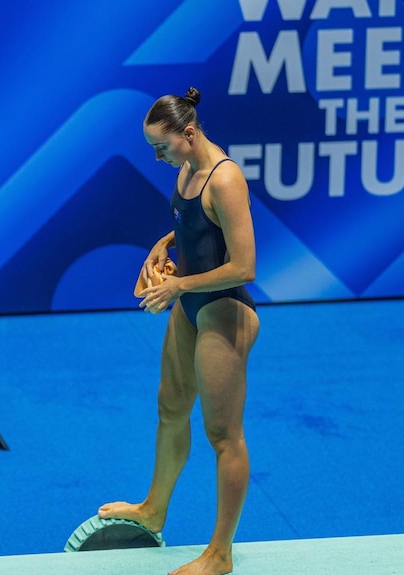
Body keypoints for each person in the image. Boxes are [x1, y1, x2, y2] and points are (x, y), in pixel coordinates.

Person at [99, 87, 260, 575]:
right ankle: (153, 508)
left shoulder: (225, 177)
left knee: (223, 433)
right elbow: (195, 225)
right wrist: (163, 245)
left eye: (162, 147)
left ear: (188, 134)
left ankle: (220, 554)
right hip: (189, 304)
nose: (157, 156)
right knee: (171, 407)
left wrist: (180, 286)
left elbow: (245, 265)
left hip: (223, 309)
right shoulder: (188, 168)